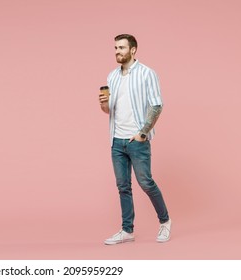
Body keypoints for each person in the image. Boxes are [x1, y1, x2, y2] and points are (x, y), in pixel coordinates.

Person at [99, 34, 171, 245]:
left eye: (121, 47)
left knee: (146, 182)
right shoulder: (112, 76)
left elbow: (156, 105)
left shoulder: (147, 74)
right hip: (117, 140)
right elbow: (109, 110)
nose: (117, 51)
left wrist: (142, 133)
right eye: (115, 48)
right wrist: (103, 104)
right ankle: (127, 230)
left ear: (133, 50)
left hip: (137, 140)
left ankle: (165, 221)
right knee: (123, 187)